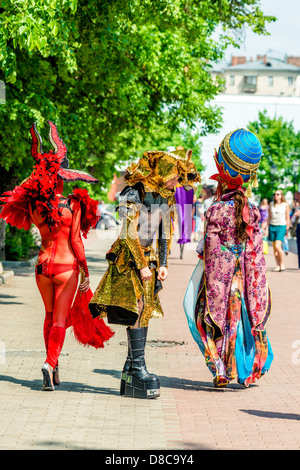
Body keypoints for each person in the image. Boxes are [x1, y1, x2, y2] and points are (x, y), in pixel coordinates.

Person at [0, 121, 114, 391]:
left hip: (42, 267)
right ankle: (49, 364)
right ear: (64, 176)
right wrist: (85, 271)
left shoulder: (33, 205)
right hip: (67, 268)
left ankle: (54, 367)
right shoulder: (73, 203)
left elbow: (19, 205)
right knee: (60, 321)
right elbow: (76, 241)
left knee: (49, 317)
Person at [89, 148, 201, 398]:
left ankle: (131, 369)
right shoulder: (133, 192)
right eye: (174, 176)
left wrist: (163, 264)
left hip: (148, 260)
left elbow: (164, 232)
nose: (177, 182)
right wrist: (140, 265)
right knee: (137, 306)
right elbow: (129, 233)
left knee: (144, 308)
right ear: (162, 173)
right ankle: (137, 367)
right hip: (128, 258)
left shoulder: (166, 197)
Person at [183, 128, 273, 389]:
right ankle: (248, 371)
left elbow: (211, 251)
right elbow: (255, 251)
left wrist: (213, 280)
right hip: (244, 278)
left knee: (205, 315)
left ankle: (222, 369)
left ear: (222, 169)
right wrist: (253, 283)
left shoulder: (216, 208)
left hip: (222, 277)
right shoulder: (253, 210)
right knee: (243, 320)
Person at [267, 189, 290, 271]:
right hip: (272, 226)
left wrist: (287, 229)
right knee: (274, 248)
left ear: (281, 196)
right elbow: (269, 217)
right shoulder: (271, 204)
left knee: (277, 246)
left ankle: (282, 264)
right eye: (275, 194)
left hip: (281, 227)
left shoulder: (285, 205)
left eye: (278, 194)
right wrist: (266, 228)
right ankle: (277, 265)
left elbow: (287, 218)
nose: (276, 196)